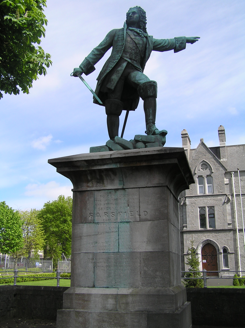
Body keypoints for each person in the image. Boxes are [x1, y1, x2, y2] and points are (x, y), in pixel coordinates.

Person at [72, 6, 199, 140]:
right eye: (128, 13)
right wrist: (82, 67)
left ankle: (151, 127)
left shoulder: (147, 39)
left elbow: (165, 43)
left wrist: (183, 40)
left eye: (133, 13)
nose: (130, 15)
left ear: (141, 18)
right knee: (113, 105)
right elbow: (99, 50)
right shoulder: (116, 33)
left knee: (149, 86)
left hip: (133, 71)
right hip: (116, 72)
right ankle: (114, 139)